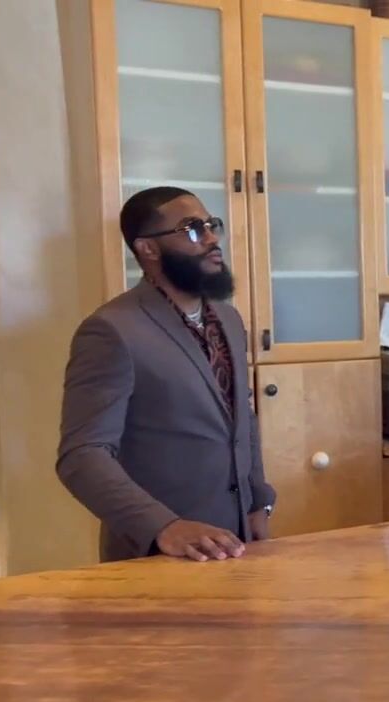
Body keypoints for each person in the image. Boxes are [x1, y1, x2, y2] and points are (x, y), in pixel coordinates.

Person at [57, 186, 276, 562]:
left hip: (237, 542)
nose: (211, 239)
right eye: (192, 229)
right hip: (160, 553)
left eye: (211, 225)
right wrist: (163, 527)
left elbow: (242, 419)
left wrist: (258, 501)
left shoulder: (228, 319)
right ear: (148, 249)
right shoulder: (111, 330)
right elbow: (83, 455)